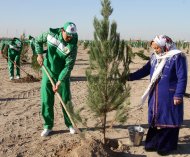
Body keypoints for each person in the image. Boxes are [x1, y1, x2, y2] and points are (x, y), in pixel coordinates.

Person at [128, 35, 188, 155]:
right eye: (154, 48)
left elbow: (182, 77)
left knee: (168, 119)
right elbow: (144, 70)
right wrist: (130, 77)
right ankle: (153, 143)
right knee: (155, 118)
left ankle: (167, 146)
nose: (155, 50)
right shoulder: (154, 57)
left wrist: (178, 95)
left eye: (157, 48)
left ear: (165, 46)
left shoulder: (177, 57)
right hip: (155, 94)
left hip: (170, 95)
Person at [35, 22, 78, 137]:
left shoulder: (72, 45)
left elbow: (68, 66)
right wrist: (39, 54)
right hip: (48, 71)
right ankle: (48, 126)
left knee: (66, 100)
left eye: (71, 36)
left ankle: (70, 125)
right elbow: (37, 40)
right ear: (62, 30)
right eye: (68, 35)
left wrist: (59, 82)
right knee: (46, 100)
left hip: (62, 76)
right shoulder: (50, 35)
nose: (69, 38)